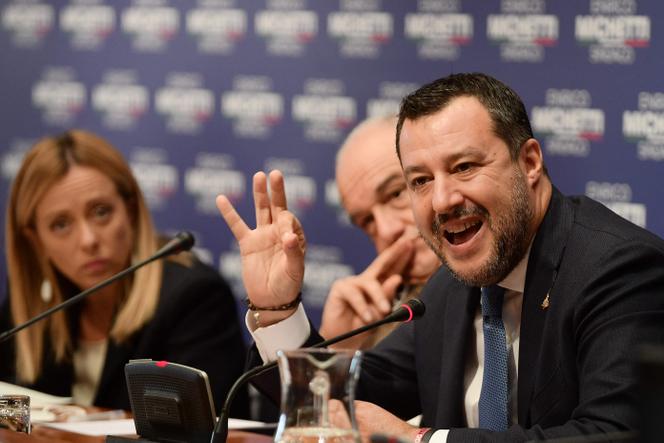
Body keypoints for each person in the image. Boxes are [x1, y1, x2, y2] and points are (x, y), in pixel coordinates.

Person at [216, 72, 664, 442]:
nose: (442, 200)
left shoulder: (618, 268)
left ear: (529, 162)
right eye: (420, 181)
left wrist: (419, 441)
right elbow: (352, 397)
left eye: (464, 167)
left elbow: (615, 434)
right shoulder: (453, 284)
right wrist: (278, 310)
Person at [0, 130, 249, 416]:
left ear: (130, 210)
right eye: (60, 224)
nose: (88, 240)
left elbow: (197, 428)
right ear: (36, 240)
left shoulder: (193, 297)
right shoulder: (34, 303)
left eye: (101, 211)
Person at [320, 116, 440, 349]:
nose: (387, 230)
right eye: (367, 221)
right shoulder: (375, 321)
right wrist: (338, 352)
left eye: (395, 194)